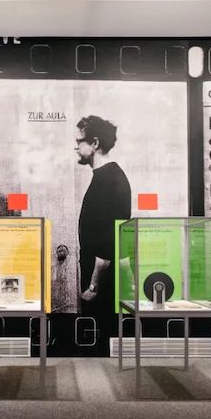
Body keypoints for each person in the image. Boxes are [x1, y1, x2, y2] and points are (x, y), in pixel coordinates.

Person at [75, 115, 131, 351]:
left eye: (79, 142)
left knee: (101, 344)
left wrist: (93, 287)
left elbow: (109, 243)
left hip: (102, 285)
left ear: (95, 143)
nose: (76, 147)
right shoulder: (106, 177)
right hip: (102, 280)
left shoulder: (108, 180)